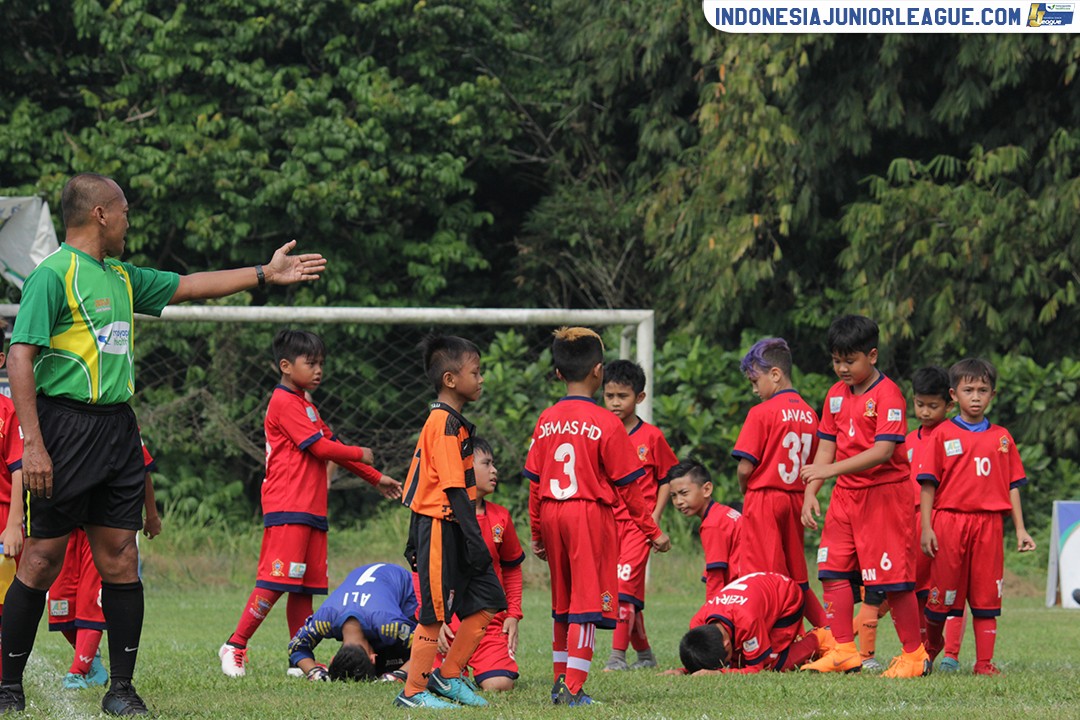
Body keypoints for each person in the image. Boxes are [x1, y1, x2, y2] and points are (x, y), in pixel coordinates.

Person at [0, 171, 328, 716]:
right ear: (101, 214)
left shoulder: (122, 276)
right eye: (124, 212)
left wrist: (263, 274)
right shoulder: (53, 275)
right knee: (40, 559)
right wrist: (33, 444)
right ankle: (8, 686)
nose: (128, 222)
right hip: (64, 429)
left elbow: (190, 285)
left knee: (121, 557)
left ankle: (121, 689)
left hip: (116, 429)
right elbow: (20, 356)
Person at [219, 329, 401, 678]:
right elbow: (321, 448)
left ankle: (298, 657)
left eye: (321, 364)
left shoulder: (306, 405)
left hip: (312, 508)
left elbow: (332, 446)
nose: (318, 370)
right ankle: (235, 644)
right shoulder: (283, 402)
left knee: (304, 587)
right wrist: (359, 452)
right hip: (288, 505)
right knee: (275, 580)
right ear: (286, 366)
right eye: (311, 363)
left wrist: (376, 478)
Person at [525, 327, 671, 706]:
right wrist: (652, 531)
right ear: (598, 371)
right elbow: (629, 490)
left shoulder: (546, 419)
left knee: (562, 603)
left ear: (559, 373)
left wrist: (537, 532)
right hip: (587, 514)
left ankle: (559, 680)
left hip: (552, 513)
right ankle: (573, 689)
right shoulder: (606, 423)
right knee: (587, 604)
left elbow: (535, 483)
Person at [800, 315, 930, 678]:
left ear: (871, 356)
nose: (842, 368)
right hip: (845, 497)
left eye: (850, 360)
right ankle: (844, 650)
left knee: (892, 580)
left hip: (884, 496)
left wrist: (829, 471)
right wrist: (811, 492)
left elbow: (883, 451)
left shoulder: (888, 394)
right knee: (831, 570)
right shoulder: (834, 395)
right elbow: (827, 445)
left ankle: (914, 656)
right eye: (836, 360)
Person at [396, 335, 506, 710]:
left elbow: (426, 481)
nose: (481, 379)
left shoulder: (453, 423)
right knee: (435, 612)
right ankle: (413, 692)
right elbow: (452, 489)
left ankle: (449, 675)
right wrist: (474, 539)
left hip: (456, 527)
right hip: (441, 527)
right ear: (450, 379)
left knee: (490, 599)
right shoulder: (442, 422)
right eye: (475, 372)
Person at [918, 358, 1036, 676]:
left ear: (992, 395)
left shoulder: (1002, 438)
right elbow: (928, 485)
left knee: (986, 594)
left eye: (982, 390)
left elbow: (1012, 485)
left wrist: (1021, 529)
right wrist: (927, 527)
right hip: (949, 522)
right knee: (941, 595)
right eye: (968, 390)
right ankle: (930, 648)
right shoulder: (942, 434)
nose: (975, 397)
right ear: (953, 394)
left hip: (989, 525)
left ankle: (984, 663)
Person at [855, 366, 954, 672]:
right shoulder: (906, 439)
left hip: (939, 522)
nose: (925, 411)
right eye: (920, 404)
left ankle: (939, 653)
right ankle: (858, 650)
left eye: (933, 405)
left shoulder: (953, 437)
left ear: (948, 404)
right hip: (901, 519)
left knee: (935, 592)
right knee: (888, 587)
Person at [731, 338, 828, 630]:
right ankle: (831, 632)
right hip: (796, 499)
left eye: (755, 381)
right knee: (797, 575)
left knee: (764, 576)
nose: (754, 389)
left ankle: (776, 638)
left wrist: (745, 489)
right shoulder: (811, 414)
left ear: (775, 374)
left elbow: (745, 467)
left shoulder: (761, 412)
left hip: (765, 498)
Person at [49, 434, 160, 690]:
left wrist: (152, 516)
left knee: (91, 602)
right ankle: (91, 657)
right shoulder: (60, 421)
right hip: (65, 528)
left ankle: (78, 670)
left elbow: (143, 470)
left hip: (101, 529)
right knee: (59, 604)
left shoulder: (119, 422)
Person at [600, 360, 678, 672]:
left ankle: (616, 657)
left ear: (640, 397)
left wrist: (654, 517)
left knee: (623, 589)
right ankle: (645, 655)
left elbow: (667, 478)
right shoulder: (602, 435)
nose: (615, 403)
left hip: (638, 526)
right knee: (624, 591)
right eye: (610, 396)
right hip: (609, 525)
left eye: (623, 396)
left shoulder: (652, 437)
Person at [434, 437, 524, 691]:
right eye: (486, 463)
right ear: (464, 468)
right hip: (447, 624)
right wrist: (433, 620)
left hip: (489, 622)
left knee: (499, 684)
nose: (494, 470)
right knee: (434, 679)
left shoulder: (500, 517)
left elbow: (512, 568)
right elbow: (421, 572)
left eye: (494, 464)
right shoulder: (440, 516)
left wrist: (513, 614)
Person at [675, 572, 834, 675]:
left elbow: (756, 669)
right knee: (741, 659)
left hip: (788, 599)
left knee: (770, 665)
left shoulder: (746, 622)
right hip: (758, 596)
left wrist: (720, 673)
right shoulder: (697, 623)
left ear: (726, 644)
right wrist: (684, 671)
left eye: (723, 663)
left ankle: (819, 637)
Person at [287, 562, 417, 682]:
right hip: (369, 586)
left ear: (372, 658)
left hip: (403, 584)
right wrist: (314, 672)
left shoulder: (389, 625)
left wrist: (400, 674)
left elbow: (426, 644)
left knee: (394, 662)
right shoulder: (324, 619)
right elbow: (295, 646)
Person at [667, 461, 742, 599]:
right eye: (673, 495)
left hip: (744, 590)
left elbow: (716, 576)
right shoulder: (724, 513)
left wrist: (712, 608)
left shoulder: (712, 524)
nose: (678, 501)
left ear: (706, 489)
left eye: (684, 493)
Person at [0, 323, 25, 622]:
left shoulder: (9, 411)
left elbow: (19, 469)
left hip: (3, 517)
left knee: (4, 606)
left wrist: (14, 525)